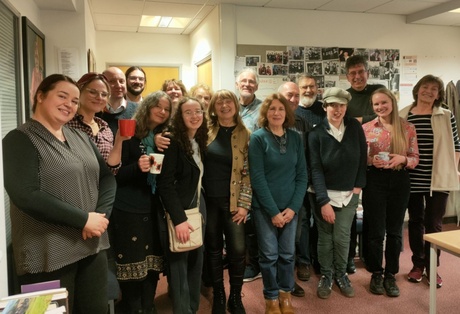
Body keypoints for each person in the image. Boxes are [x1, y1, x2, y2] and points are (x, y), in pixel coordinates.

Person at [3, 74, 117, 314]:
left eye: (75, 101)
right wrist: (84, 220)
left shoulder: (80, 137)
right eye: (62, 96)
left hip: (91, 246)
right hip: (46, 254)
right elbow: (25, 194)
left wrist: (99, 216)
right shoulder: (19, 140)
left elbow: (106, 177)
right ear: (41, 96)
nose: (69, 104)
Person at [112, 91, 171, 313]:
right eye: (158, 106)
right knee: (130, 264)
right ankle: (133, 308)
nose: (162, 111)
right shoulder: (129, 132)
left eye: (166, 109)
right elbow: (114, 173)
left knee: (153, 263)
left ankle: (149, 307)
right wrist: (137, 167)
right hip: (128, 208)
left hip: (155, 207)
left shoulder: (164, 135)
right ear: (147, 106)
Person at [249, 93, 307, 314]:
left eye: (281, 109)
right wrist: (274, 212)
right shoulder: (257, 138)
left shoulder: (295, 138)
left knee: (287, 254)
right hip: (265, 209)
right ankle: (271, 298)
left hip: (291, 208)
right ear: (265, 113)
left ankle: (286, 295)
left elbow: (302, 175)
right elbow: (258, 178)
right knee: (269, 256)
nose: (276, 113)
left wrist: (292, 208)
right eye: (272, 109)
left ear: (287, 113)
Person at [400, 74, 460, 288]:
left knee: (434, 224)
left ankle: (432, 267)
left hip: (439, 178)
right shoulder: (403, 114)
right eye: (426, 87)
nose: (429, 91)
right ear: (417, 89)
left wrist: (452, 170)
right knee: (415, 222)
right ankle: (418, 264)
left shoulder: (446, 115)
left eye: (434, 89)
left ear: (439, 94)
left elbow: (456, 146)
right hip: (412, 177)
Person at [308, 87, 367, 299]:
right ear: (325, 107)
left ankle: (341, 274)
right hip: (323, 194)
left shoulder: (355, 127)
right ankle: (326, 274)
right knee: (325, 237)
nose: (337, 109)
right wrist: (323, 201)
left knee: (342, 236)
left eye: (341, 105)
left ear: (346, 107)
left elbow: (363, 158)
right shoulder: (315, 133)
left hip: (350, 193)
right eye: (333, 105)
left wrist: (358, 186)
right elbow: (315, 168)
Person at [362, 88, 419, 297]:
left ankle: (390, 274)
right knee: (376, 231)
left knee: (395, 232)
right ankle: (376, 272)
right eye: (376, 104)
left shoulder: (408, 128)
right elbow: (361, 158)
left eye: (383, 102)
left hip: (399, 180)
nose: (380, 107)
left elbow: (414, 157)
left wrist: (402, 159)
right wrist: (371, 160)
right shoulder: (366, 128)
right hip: (374, 181)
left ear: (392, 102)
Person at [156, 97, 208, 314]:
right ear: (179, 117)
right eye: (188, 112)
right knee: (179, 265)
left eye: (198, 111)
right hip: (180, 210)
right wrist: (179, 220)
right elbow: (165, 185)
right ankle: (182, 309)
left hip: (198, 206)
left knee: (196, 259)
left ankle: (193, 307)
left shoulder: (200, 140)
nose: (194, 116)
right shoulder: (172, 141)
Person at [204, 89, 252, 313]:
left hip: (234, 203)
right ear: (213, 107)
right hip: (208, 201)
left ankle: (235, 296)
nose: (224, 106)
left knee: (237, 250)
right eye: (219, 102)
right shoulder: (204, 132)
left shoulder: (247, 134)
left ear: (235, 105)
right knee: (213, 250)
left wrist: (244, 204)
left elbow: (249, 174)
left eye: (228, 101)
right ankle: (219, 296)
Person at [344, 55, 385, 274]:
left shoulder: (378, 90)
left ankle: (371, 257)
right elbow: (342, 121)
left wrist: (358, 119)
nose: (358, 76)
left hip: (378, 163)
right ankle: (350, 256)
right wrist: (367, 118)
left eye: (361, 71)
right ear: (347, 76)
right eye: (353, 73)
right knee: (350, 212)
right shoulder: (345, 97)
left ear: (368, 72)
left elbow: (385, 112)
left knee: (373, 214)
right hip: (354, 161)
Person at [278, 82, 311, 298]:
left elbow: (306, 158)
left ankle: (288, 282)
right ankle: (275, 285)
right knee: (272, 244)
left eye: (297, 95)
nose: (294, 99)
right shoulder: (269, 121)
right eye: (290, 95)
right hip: (273, 190)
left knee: (292, 240)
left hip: (296, 190)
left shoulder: (302, 122)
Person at [294, 74, 326, 275]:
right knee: (303, 220)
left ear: (317, 88)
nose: (308, 90)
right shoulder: (292, 112)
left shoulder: (325, 110)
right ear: (298, 89)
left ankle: (320, 259)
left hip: (322, 176)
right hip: (301, 177)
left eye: (312, 86)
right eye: (304, 87)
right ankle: (304, 260)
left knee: (321, 220)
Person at [67, 72, 128, 174]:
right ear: (79, 92)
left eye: (104, 94)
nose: (99, 97)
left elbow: (112, 169)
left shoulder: (104, 127)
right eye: (93, 92)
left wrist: (118, 141)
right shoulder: (66, 124)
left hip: (102, 187)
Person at [236, 67, 263, 283]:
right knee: (236, 217)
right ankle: (238, 258)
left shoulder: (263, 110)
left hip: (254, 170)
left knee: (252, 220)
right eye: (243, 81)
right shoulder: (228, 106)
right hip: (231, 171)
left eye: (251, 81)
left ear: (257, 85)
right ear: (237, 84)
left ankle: (254, 264)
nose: (247, 84)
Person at [97, 67, 138, 136]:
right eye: (112, 81)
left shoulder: (138, 110)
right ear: (103, 84)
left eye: (121, 81)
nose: (118, 85)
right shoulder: (95, 112)